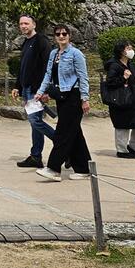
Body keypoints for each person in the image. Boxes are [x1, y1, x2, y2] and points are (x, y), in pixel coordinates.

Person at [33, 26, 91, 182]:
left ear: (69, 36)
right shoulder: (54, 54)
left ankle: (53, 168)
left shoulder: (76, 54)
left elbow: (83, 77)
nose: (61, 36)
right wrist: (40, 91)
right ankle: (84, 168)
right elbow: (48, 75)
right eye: (58, 34)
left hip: (74, 96)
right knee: (74, 133)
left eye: (64, 34)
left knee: (62, 133)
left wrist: (85, 99)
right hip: (61, 96)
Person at [11, 15, 55, 168]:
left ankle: (63, 144)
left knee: (35, 121)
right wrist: (18, 86)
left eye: (26, 23)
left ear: (33, 24)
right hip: (27, 88)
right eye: (21, 23)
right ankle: (36, 155)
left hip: (37, 89)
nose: (23, 26)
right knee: (34, 122)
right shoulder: (26, 42)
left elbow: (47, 67)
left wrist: (44, 90)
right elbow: (23, 67)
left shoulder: (41, 41)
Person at [104, 40, 135, 158]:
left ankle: (133, 147)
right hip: (120, 100)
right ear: (121, 51)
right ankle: (122, 150)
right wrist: (123, 78)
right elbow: (110, 83)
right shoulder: (114, 66)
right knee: (123, 125)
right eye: (128, 48)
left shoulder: (132, 65)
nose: (131, 50)